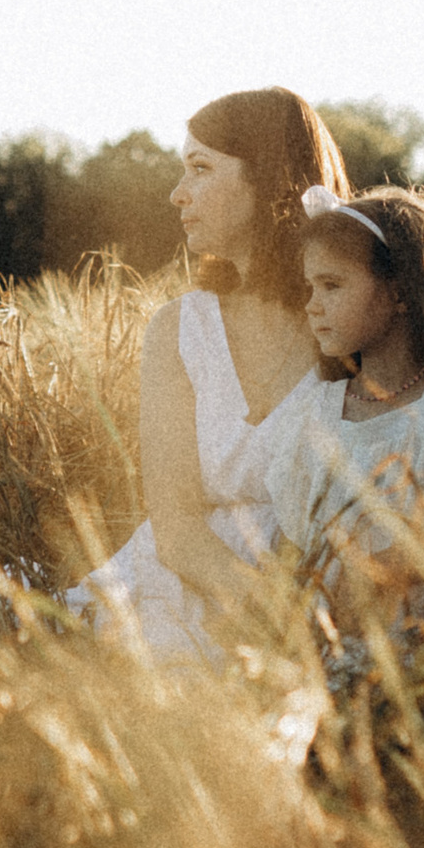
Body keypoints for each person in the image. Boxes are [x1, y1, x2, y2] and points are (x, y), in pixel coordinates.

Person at [63, 89, 351, 660]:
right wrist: (270, 609)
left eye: (200, 169)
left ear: (270, 180)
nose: (177, 194)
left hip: (330, 596)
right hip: (190, 583)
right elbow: (173, 524)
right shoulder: (179, 329)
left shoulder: (350, 318)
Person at [264, 186, 424, 597]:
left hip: (421, 635)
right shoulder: (315, 411)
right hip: (317, 635)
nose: (312, 305)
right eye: (310, 287)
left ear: (399, 291)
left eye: (331, 285)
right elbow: (287, 548)